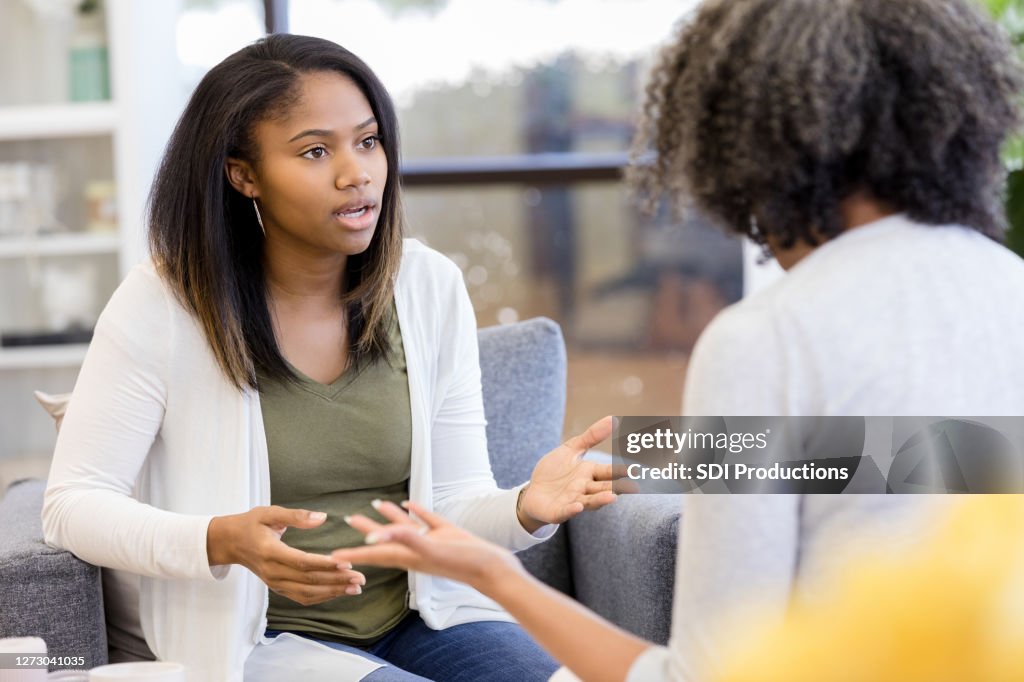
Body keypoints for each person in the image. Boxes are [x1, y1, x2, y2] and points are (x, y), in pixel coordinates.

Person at [331, 1, 1024, 681]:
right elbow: (945, 460)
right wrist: (656, 453)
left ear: (745, 147)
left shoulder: (767, 337)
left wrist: (491, 574)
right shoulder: (1007, 284)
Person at [41, 34, 619, 682]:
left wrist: (526, 507)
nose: (357, 173)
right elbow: (71, 505)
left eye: (368, 141)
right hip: (259, 638)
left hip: (427, 615)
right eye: (316, 151)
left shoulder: (426, 285)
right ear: (244, 174)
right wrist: (219, 538)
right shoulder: (165, 304)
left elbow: (450, 508)